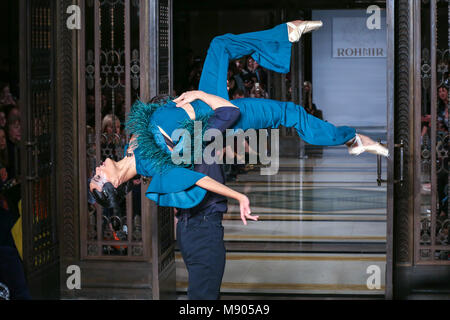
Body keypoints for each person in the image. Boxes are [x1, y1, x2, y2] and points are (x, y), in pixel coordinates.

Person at [88, 20, 389, 299]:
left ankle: (286, 35)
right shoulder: (155, 166)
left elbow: (167, 114)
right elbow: (196, 170)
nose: (97, 169)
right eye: (98, 178)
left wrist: (184, 99)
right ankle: (352, 139)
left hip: (205, 98)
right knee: (288, 112)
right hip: (218, 111)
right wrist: (237, 195)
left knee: (221, 45)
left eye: (94, 173)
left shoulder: (132, 144)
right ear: (113, 184)